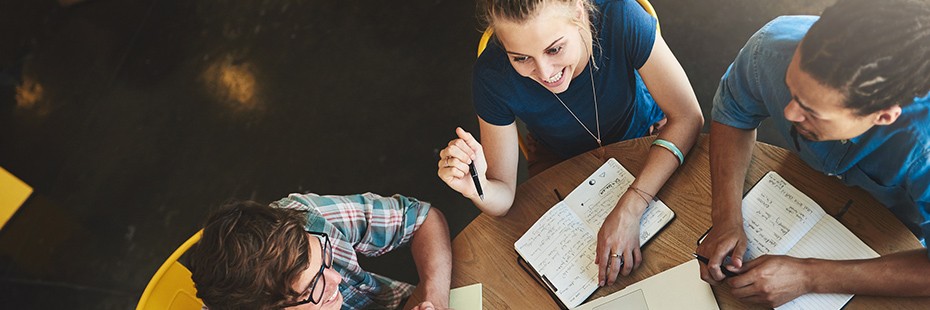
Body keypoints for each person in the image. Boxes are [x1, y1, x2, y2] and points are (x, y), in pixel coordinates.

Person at [437, 0, 702, 286]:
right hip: (561, 161)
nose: (545, 73)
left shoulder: (620, 15)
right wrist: (477, 188)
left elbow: (688, 118)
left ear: (579, 13)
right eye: (520, 58)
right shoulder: (492, 77)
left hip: (647, 135)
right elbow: (503, 196)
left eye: (554, 49)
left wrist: (631, 205)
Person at [696, 0, 930, 307]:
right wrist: (726, 217)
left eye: (811, 111)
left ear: (884, 116)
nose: (789, 113)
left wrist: (810, 276)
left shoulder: (923, 150)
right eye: (791, 89)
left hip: (898, 243)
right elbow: (735, 112)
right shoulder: (772, 48)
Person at [187, 193, 452, 310]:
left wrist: (435, 298)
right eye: (311, 288)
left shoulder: (307, 217)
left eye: (324, 260)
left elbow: (419, 218)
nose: (336, 279)